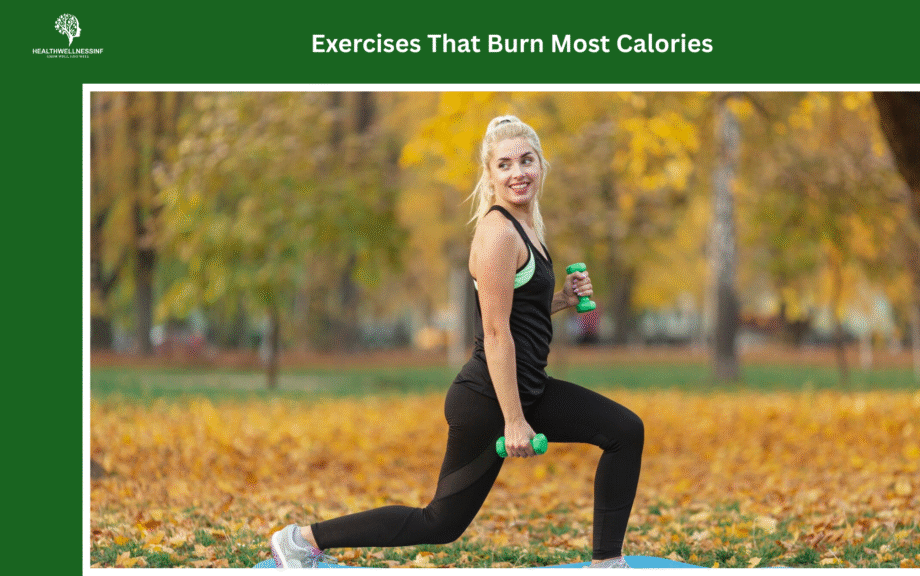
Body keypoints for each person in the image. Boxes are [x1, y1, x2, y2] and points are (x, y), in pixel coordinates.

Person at [269, 115, 644, 568]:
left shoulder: (528, 230)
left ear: (542, 166)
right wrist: (513, 420)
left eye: (527, 161)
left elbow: (515, 313)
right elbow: (495, 330)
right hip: (489, 398)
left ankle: (608, 562)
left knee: (625, 430)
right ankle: (301, 539)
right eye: (504, 164)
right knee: (440, 523)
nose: (517, 172)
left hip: (528, 388)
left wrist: (562, 299)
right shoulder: (498, 233)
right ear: (489, 174)